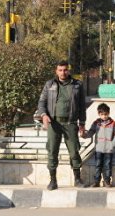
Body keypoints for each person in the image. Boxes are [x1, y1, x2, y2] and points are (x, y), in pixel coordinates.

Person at [37, 60, 87, 190]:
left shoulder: (77, 85)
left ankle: (77, 178)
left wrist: (82, 123)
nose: (63, 72)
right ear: (56, 71)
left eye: (65, 70)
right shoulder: (49, 84)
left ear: (68, 70)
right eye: (60, 70)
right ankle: (53, 181)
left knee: (74, 151)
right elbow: (41, 103)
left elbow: (82, 106)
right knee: (52, 151)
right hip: (54, 124)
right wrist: (44, 115)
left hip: (70, 123)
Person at [82, 103, 115, 187]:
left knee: (107, 165)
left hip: (108, 150)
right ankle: (96, 181)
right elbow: (91, 132)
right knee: (98, 165)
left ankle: (107, 181)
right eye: (102, 114)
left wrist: (112, 145)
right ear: (99, 114)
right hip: (98, 149)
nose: (104, 116)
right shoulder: (96, 123)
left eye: (106, 114)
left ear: (108, 113)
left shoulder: (113, 123)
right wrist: (84, 135)